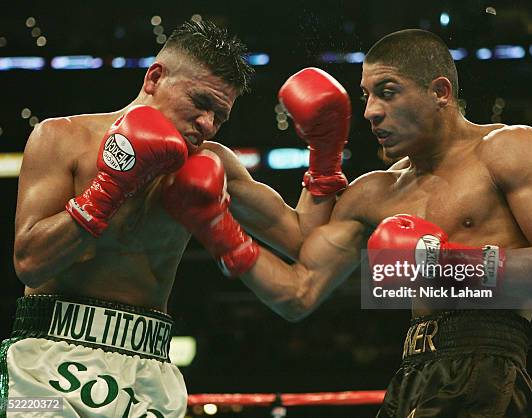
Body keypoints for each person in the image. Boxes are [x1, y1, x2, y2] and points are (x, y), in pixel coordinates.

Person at [168, 29, 532, 417]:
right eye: (367, 96)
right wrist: (219, 229)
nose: (370, 112)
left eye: (387, 93)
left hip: (488, 371)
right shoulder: (374, 193)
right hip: (411, 377)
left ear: (440, 92)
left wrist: (446, 264)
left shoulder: (508, 148)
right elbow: (299, 291)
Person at [6, 18, 350, 417]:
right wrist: (111, 187)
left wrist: (325, 156)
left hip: (148, 366)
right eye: (201, 103)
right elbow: (29, 263)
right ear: (154, 78)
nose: (207, 124)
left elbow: (303, 238)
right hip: (43, 360)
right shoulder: (61, 138)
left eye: (220, 116)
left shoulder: (213, 162)